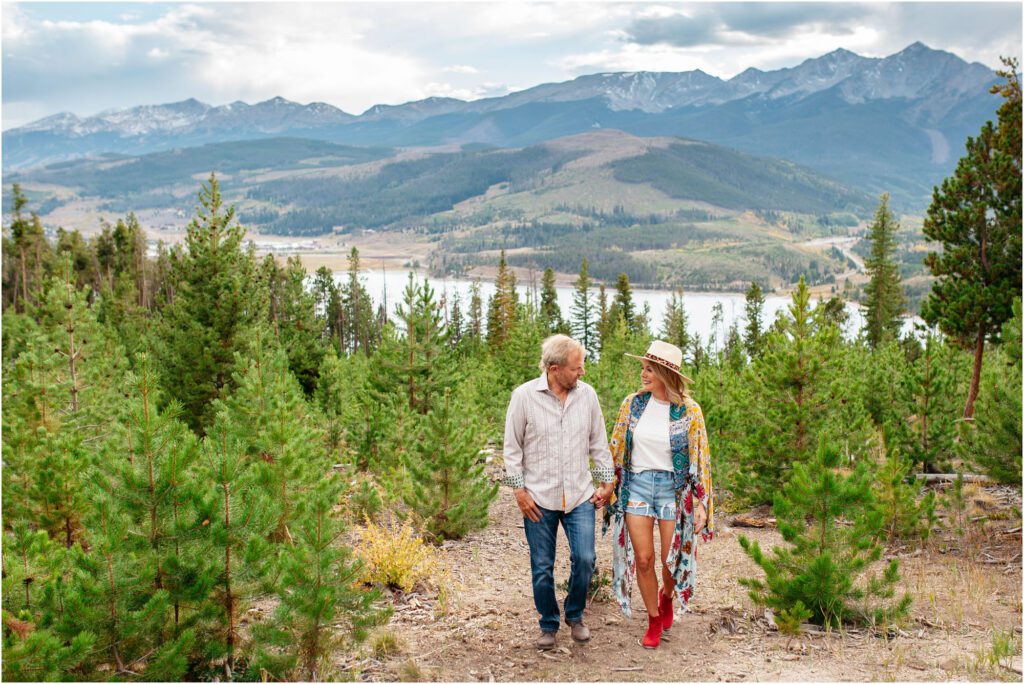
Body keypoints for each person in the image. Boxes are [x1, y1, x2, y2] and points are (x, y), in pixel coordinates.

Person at [503, 334, 615, 650]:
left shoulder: (588, 396)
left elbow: (598, 443)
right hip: (539, 498)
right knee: (542, 567)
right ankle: (549, 624)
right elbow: (512, 450)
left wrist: (607, 483)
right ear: (555, 368)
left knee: (585, 558)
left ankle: (575, 614)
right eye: (576, 368)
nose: (582, 373)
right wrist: (519, 493)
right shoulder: (524, 397)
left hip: (580, 495)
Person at [603, 340, 714, 649]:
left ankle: (667, 597)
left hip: (672, 489)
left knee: (669, 560)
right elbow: (615, 447)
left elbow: (700, 457)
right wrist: (607, 483)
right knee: (643, 558)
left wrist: (702, 503)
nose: (643, 374)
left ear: (665, 373)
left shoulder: (689, 411)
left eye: (649, 369)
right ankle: (653, 618)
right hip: (637, 484)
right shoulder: (633, 404)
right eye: (642, 368)